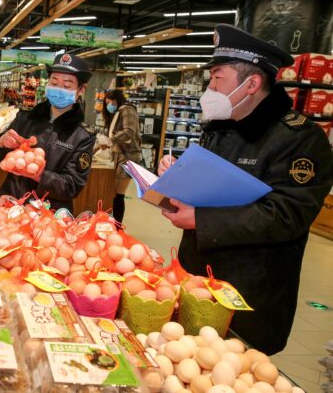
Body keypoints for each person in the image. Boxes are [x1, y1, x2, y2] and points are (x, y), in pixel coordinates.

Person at [158, 24, 333, 355]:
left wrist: (202, 220)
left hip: (249, 295)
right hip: (196, 278)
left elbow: (288, 214)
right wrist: (176, 179)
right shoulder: (220, 129)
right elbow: (210, 186)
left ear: (252, 84)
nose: (209, 88)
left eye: (217, 78)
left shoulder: (300, 139)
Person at [0, 53, 96, 213]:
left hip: (47, 218)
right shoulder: (25, 118)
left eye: (67, 85)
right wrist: (0, 143)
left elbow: (72, 187)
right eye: (54, 83)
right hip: (8, 207)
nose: (59, 89)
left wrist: (39, 174)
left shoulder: (82, 136)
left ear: (80, 90)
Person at [100, 89, 141, 223]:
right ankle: (113, 224)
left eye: (109, 102)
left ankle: (117, 227)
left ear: (116, 100)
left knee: (119, 194)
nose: (108, 106)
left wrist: (111, 140)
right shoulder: (118, 113)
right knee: (115, 193)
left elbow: (129, 131)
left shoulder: (127, 109)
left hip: (128, 157)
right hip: (120, 156)